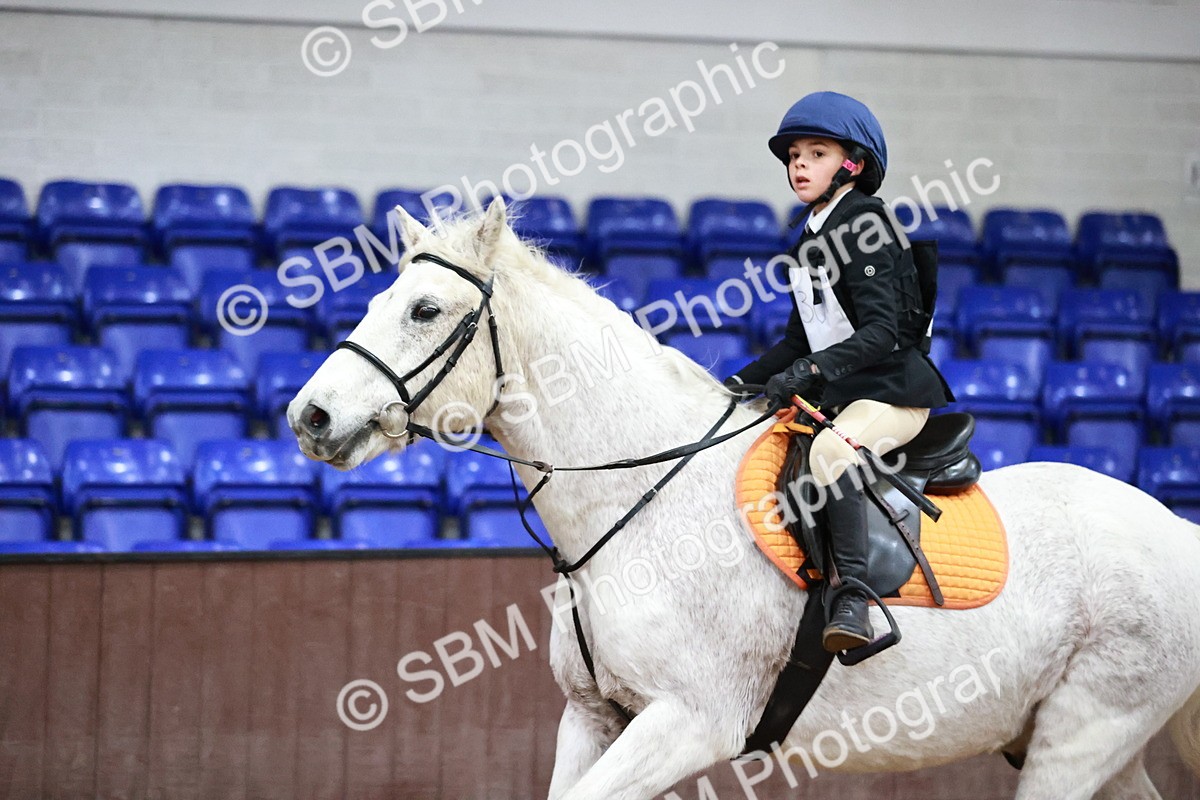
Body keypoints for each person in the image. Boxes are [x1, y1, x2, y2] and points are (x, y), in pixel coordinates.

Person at [724, 91, 954, 653]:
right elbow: (799, 339)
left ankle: (853, 595)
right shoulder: (809, 235)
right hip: (845, 392)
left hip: (892, 393)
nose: (799, 164)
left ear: (852, 164)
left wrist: (808, 370)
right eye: (794, 155)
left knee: (832, 453)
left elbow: (883, 332)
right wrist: (733, 388)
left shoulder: (866, 221)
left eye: (816, 153)